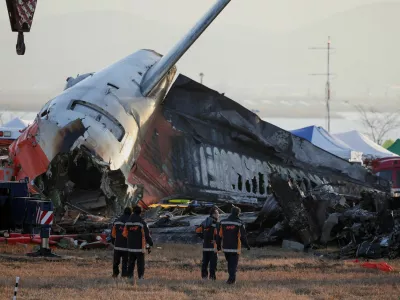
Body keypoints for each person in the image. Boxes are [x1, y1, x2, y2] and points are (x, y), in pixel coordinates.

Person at [217, 206, 250, 284]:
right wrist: (247, 245)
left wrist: (218, 245)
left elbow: (219, 235)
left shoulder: (223, 222)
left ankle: (231, 279)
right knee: (233, 264)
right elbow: (243, 236)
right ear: (238, 213)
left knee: (230, 263)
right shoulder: (239, 223)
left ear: (231, 212)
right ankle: (231, 280)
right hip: (235, 248)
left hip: (226, 247)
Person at [123, 206, 153, 281]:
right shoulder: (142, 222)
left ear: (133, 211)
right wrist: (150, 243)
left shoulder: (128, 222)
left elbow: (124, 233)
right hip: (139, 247)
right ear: (140, 212)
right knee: (140, 264)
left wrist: (131, 238)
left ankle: (130, 277)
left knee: (130, 263)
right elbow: (147, 235)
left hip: (130, 246)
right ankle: (140, 277)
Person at [195, 206, 220, 280]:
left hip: (205, 246)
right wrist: (216, 240)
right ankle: (212, 278)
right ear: (214, 214)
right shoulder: (216, 223)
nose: (218, 215)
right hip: (213, 247)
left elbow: (197, 231)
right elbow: (219, 234)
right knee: (213, 263)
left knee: (205, 263)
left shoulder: (204, 222)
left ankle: (204, 277)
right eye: (218, 213)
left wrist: (203, 237)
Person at [111, 206, 132, 278]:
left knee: (116, 262)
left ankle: (115, 274)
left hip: (117, 245)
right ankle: (124, 275)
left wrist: (113, 242)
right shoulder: (131, 222)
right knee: (125, 262)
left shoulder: (116, 221)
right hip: (127, 246)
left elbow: (113, 234)